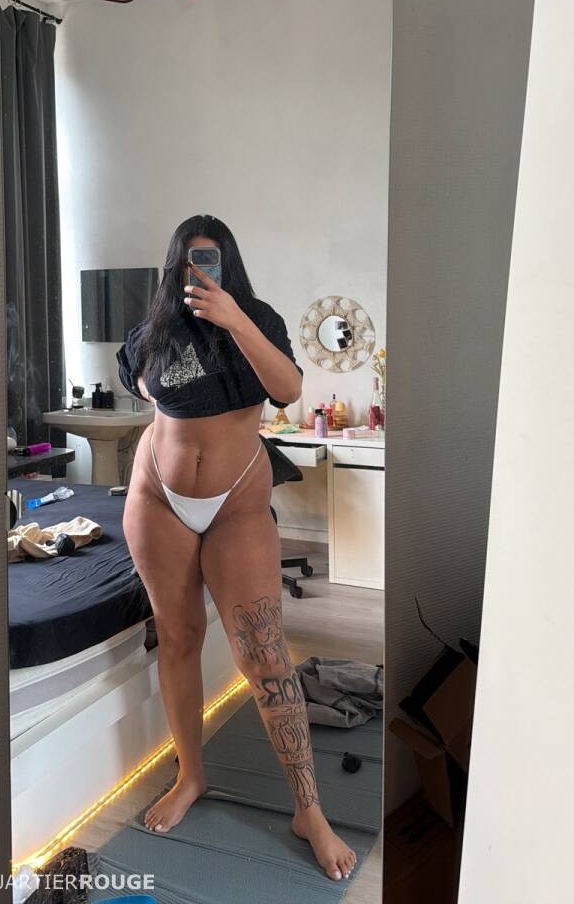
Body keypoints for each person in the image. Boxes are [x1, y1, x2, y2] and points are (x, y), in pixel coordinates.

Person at [118, 215, 356, 882]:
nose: (201, 271)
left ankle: (309, 810)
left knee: (264, 652)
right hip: (157, 496)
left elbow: (287, 389)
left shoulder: (258, 319)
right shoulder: (153, 332)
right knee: (179, 637)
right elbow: (146, 390)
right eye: (191, 260)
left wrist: (231, 317)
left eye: (213, 260)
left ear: (230, 264)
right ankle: (190, 775)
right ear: (175, 265)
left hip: (236, 503)